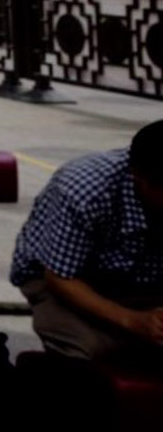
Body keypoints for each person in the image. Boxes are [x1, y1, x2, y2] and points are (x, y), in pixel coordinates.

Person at [10, 120, 163, 368]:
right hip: (72, 280)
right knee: (84, 351)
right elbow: (60, 277)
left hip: (149, 281)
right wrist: (133, 321)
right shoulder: (85, 190)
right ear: (140, 179)